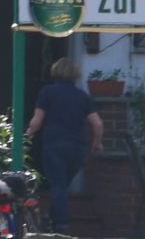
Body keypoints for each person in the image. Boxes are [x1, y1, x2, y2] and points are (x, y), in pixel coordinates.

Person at [24, 58, 103, 235]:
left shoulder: (47, 92)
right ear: (75, 75)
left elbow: (37, 122)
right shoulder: (81, 96)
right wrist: (96, 143)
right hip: (77, 148)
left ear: (55, 72)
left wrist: (27, 135)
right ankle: (49, 220)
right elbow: (97, 124)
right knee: (61, 187)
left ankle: (61, 226)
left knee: (57, 186)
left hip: (54, 145)